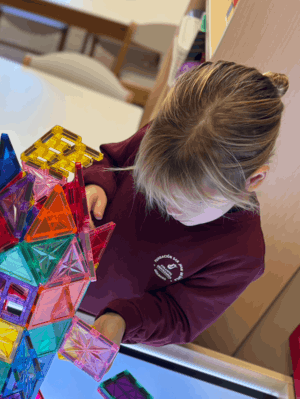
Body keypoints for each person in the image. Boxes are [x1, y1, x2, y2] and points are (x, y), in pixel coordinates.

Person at [79, 60, 289, 353]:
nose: (167, 206)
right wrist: (96, 184)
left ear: (253, 180)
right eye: (156, 188)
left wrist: (124, 320)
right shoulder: (164, 142)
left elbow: (181, 316)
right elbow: (112, 161)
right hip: (63, 286)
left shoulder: (241, 254)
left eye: (188, 201)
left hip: (105, 326)